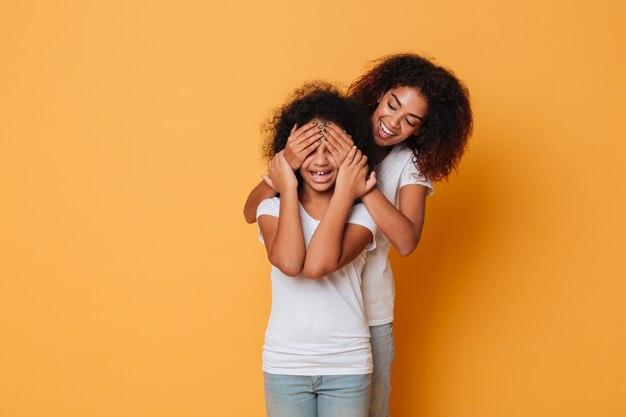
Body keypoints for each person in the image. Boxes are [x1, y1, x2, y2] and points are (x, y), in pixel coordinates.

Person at [246, 54, 473, 417]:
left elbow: (407, 240)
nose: (393, 122)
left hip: (368, 313)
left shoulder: (405, 165)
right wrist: (287, 168)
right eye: (391, 105)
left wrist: (362, 186)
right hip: (307, 331)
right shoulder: (332, 132)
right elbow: (252, 210)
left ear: (422, 129)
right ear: (380, 94)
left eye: (410, 120)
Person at [257, 82, 380, 417]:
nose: (321, 161)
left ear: (353, 155)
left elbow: (318, 264)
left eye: (333, 151)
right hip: (285, 366)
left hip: (347, 366)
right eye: (310, 151)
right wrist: (287, 186)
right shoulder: (271, 209)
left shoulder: (363, 213)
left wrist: (346, 188)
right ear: (292, 155)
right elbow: (290, 261)